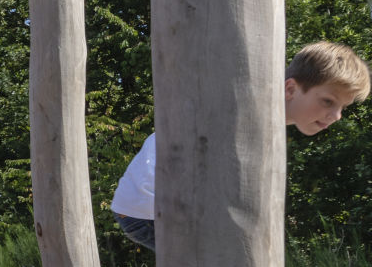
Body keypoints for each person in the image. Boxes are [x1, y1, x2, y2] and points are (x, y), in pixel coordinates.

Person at [110, 41, 369, 251]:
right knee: (228, 266)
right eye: (327, 101)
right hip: (155, 203)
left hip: (152, 203)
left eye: (342, 107)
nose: (336, 116)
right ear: (290, 89)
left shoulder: (265, 117)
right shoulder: (254, 113)